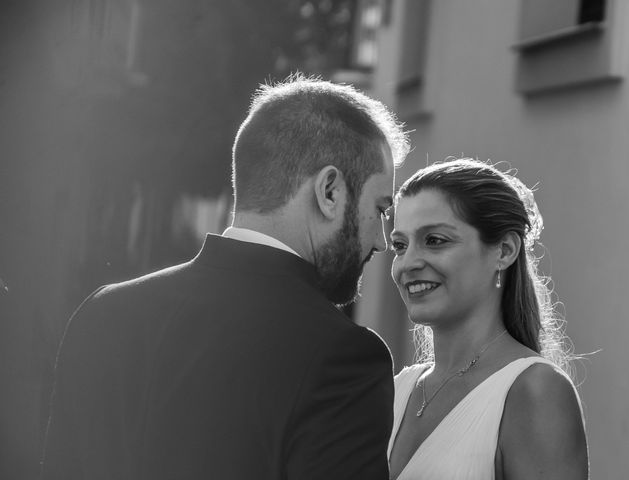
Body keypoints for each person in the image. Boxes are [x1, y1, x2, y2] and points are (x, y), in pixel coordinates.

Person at [40, 75, 409, 480]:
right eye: (380, 209)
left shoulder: (104, 311)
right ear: (330, 191)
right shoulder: (343, 357)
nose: (381, 240)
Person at [387, 158, 588, 480]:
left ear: (504, 250)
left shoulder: (535, 390)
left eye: (435, 240)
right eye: (399, 245)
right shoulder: (397, 390)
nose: (407, 263)